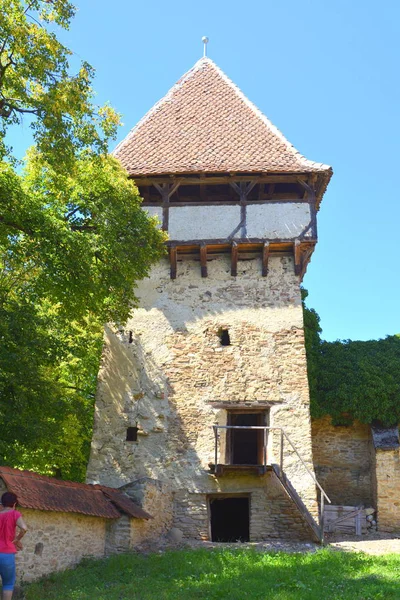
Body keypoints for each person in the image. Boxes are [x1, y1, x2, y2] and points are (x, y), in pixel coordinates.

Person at [0, 492, 27, 600]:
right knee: (8, 584)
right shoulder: (15, 514)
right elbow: (24, 528)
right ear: (14, 503)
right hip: (6, 554)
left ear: (2, 503)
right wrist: (16, 540)